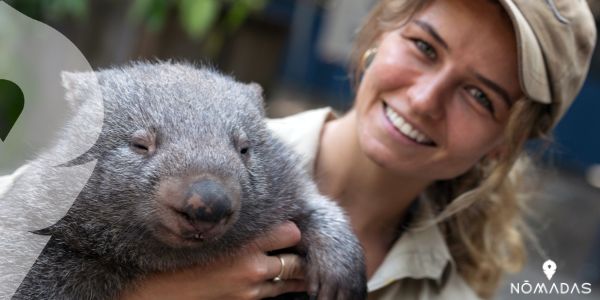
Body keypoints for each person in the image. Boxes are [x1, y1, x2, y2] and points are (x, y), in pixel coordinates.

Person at [1, 0, 596, 299]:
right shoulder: (62, 185)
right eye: (424, 47)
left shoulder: (453, 288)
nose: (424, 99)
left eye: (480, 95)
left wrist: (324, 230)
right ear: (377, 36)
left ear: (507, 144)